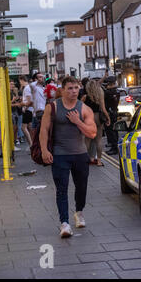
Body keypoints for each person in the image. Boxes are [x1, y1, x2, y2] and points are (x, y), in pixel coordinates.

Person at [40, 76, 97, 238]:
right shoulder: (53, 107)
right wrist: (44, 150)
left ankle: (79, 212)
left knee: (81, 187)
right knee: (61, 190)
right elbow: (44, 130)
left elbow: (92, 133)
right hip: (60, 155)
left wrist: (77, 121)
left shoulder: (84, 109)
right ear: (62, 90)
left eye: (76, 88)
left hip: (80, 154)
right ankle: (64, 223)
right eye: (70, 88)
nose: (74, 91)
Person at [83, 80, 110, 167]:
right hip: (98, 117)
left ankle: (85, 160)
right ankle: (98, 161)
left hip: (88, 117)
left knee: (87, 140)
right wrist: (108, 118)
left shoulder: (86, 95)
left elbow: (80, 106)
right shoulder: (100, 94)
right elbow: (103, 108)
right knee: (98, 140)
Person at [103, 76, 120, 155]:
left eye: (107, 84)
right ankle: (114, 146)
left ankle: (114, 148)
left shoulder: (109, 92)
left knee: (111, 130)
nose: (106, 85)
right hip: (114, 112)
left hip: (110, 113)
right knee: (114, 130)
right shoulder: (116, 91)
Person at [20, 75, 33, 150]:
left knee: (23, 127)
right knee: (30, 127)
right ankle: (32, 143)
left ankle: (31, 144)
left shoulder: (27, 88)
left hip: (27, 110)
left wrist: (24, 106)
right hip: (29, 110)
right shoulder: (28, 87)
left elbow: (29, 101)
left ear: (22, 80)